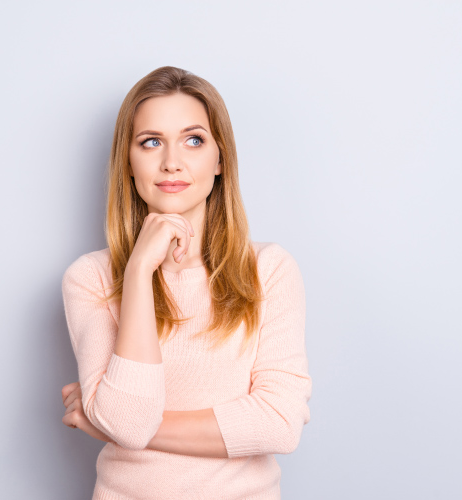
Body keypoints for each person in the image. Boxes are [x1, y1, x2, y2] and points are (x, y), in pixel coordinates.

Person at [60, 66, 312, 499]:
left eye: (193, 140)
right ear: (128, 160)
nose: (171, 161)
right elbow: (127, 422)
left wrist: (105, 419)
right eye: (151, 141)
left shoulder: (268, 269)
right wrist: (139, 270)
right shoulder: (91, 278)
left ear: (219, 160)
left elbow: (280, 423)